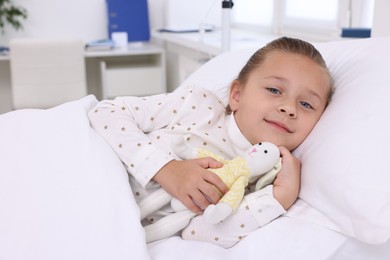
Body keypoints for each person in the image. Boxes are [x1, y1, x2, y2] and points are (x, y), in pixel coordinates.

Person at [88, 36, 334, 248]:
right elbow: (106, 112)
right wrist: (166, 169)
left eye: (306, 104)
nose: (289, 108)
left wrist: (279, 198)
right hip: (90, 180)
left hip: (108, 229)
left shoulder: (264, 180)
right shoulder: (199, 106)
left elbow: (198, 234)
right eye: (274, 90)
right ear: (237, 95)